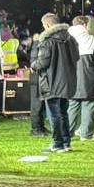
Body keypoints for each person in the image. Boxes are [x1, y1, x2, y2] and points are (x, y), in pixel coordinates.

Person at [30, 13, 78, 154]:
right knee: (63, 113)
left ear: (48, 25)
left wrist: (33, 65)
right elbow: (76, 57)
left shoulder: (47, 40)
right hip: (67, 81)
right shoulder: (70, 39)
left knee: (54, 115)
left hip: (51, 82)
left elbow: (43, 62)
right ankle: (66, 142)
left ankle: (57, 144)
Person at [67, 15, 94, 141]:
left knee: (72, 106)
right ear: (85, 25)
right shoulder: (92, 40)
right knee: (89, 105)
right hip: (89, 79)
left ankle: (68, 132)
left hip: (71, 79)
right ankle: (86, 134)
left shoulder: (66, 39)